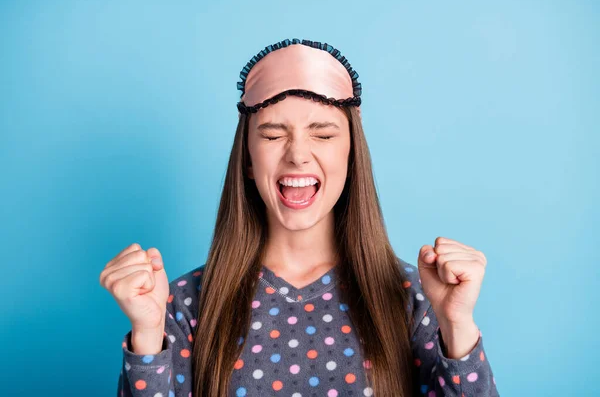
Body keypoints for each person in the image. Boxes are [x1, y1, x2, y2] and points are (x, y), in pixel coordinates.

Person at [100, 38, 500, 397]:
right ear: (249, 161)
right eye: (273, 135)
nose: (297, 154)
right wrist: (149, 335)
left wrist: (457, 324)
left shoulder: (416, 299)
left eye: (323, 135)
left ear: (350, 155)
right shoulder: (184, 304)